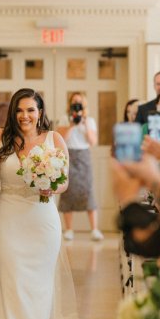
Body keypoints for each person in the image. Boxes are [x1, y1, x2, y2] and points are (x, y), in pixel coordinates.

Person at [0, 88, 114, 319]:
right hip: (8, 219)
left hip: (42, 219)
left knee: (38, 287)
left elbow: (64, 182)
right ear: (13, 112)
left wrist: (51, 185)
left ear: (40, 112)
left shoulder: (54, 139)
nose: (25, 116)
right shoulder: (0, 138)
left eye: (31, 110)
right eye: (20, 110)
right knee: (12, 285)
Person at [57, 92, 103, 241]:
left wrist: (84, 124)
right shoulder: (64, 119)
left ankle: (94, 229)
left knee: (88, 190)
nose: (76, 104)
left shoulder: (89, 120)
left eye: (79, 102)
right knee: (67, 190)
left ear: (84, 104)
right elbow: (61, 139)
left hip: (84, 156)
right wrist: (71, 124)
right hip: (68, 155)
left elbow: (92, 141)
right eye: (74, 102)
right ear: (69, 104)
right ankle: (69, 230)